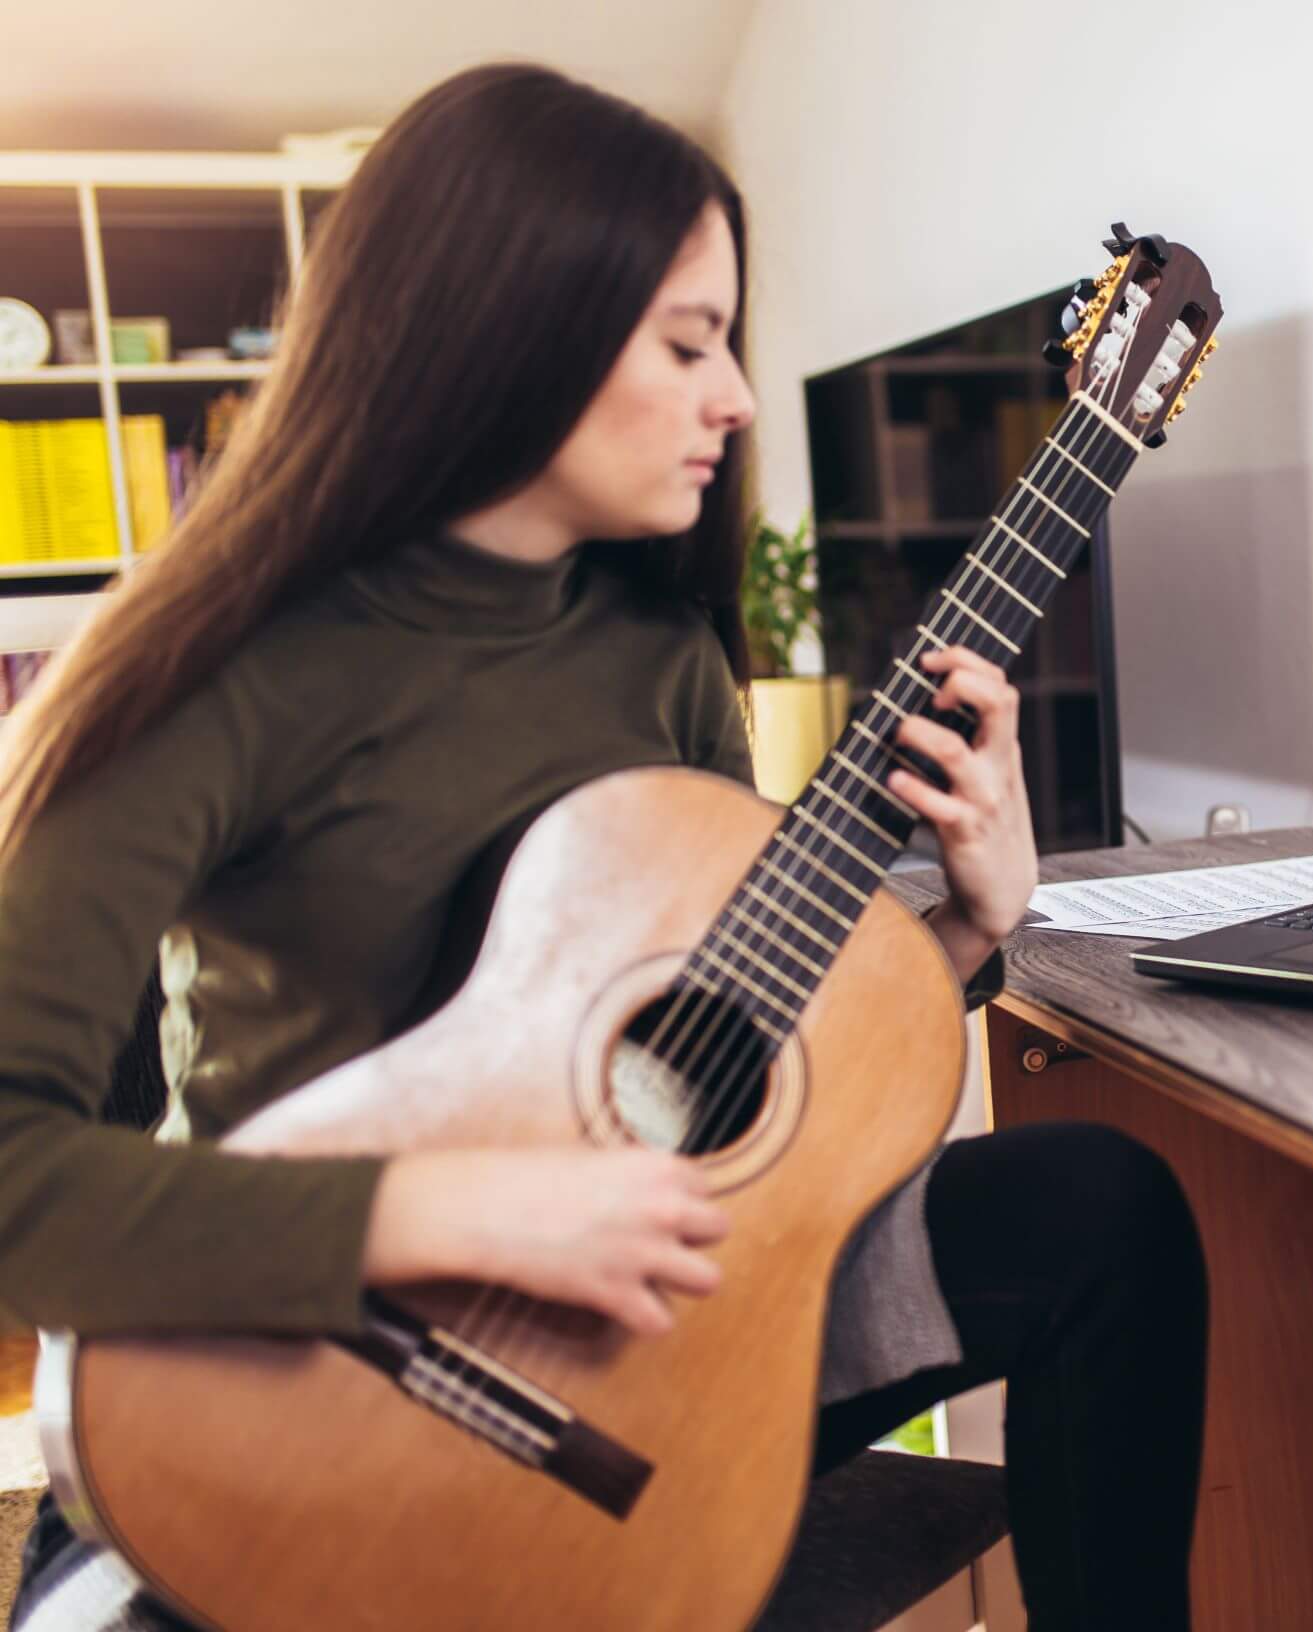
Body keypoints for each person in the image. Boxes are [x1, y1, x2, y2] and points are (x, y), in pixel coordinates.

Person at [0, 64, 1206, 1632]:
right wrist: (454, 1214)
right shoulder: (214, 670)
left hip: (638, 1340)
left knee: (1103, 1213)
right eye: (689, 343)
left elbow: (708, 1054)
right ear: (510, 324)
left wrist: (974, 930)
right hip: (291, 1370)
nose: (740, 399)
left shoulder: (659, 657)